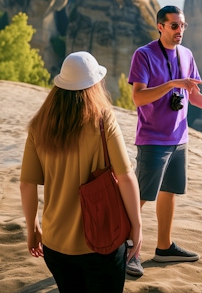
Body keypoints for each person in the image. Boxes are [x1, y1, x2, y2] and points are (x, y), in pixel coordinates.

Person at [126, 5, 202, 277]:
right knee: (139, 198)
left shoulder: (187, 54)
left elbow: (193, 95)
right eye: (173, 26)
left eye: (182, 26)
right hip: (153, 139)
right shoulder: (143, 55)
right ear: (160, 26)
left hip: (179, 138)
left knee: (169, 193)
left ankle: (164, 247)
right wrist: (171, 84)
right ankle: (126, 251)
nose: (180, 31)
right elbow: (138, 98)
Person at [20, 51, 142, 293]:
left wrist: (32, 227)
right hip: (101, 242)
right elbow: (126, 177)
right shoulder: (103, 119)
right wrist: (137, 225)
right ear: (94, 84)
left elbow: (27, 184)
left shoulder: (39, 125)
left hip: (55, 245)